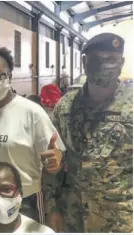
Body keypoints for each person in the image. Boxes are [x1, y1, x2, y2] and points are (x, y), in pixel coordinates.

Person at [0, 46, 66, 225]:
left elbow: (56, 155)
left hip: (26, 200)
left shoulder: (31, 112)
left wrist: (56, 161)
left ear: (10, 76)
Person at [47, 33, 133, 233]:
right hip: (73, 215)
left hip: (119, 218)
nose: (104, 65)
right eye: (96, 59)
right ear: (84, 62)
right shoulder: (65, 106)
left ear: (122, 62)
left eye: (111, 59)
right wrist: (52, 208)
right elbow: (54, 162)